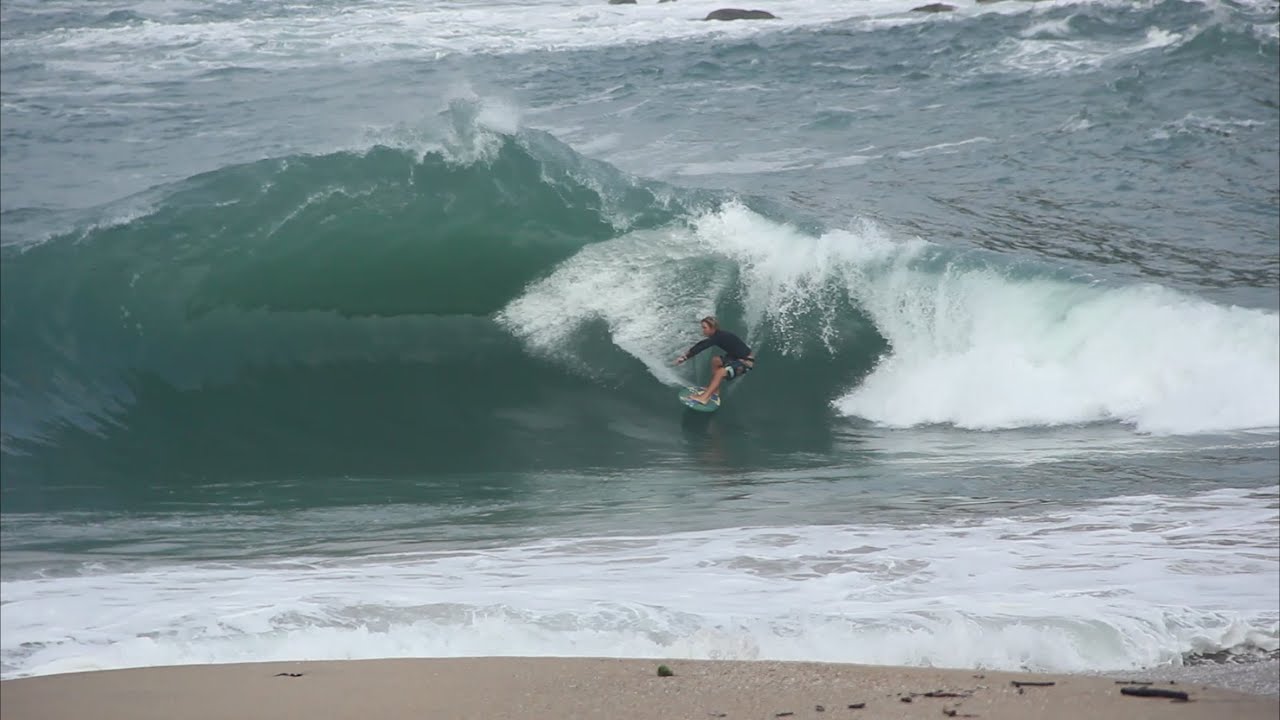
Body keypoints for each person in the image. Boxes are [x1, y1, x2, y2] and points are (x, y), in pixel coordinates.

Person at [674, 316, 754, 405]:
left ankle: (703, 398)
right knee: (716, 361)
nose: (703, 330)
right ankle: (715, 391)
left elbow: (702, 346)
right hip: (734, 357)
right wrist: (685, 356)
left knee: (720, 372)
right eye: (702, 327)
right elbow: (702, 344)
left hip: (746, 362)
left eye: (704, 328)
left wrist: (685, 357)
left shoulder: (719, 336)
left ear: (712, 328)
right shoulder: (717, 336)